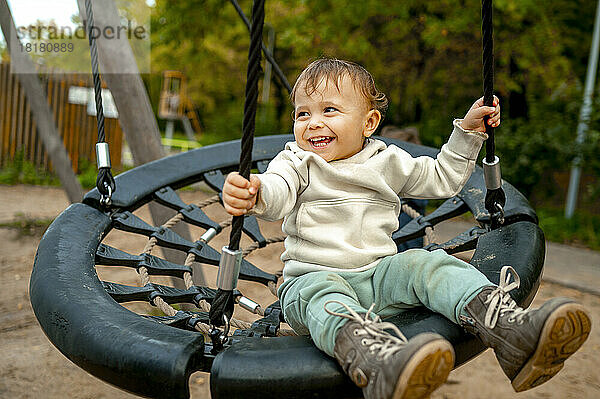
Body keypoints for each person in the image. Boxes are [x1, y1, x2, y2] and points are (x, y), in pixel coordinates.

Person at [222, 58, 591, 399]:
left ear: (368, 123)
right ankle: (378, 363)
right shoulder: (296, 161)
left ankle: (512, 333)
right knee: (323, 294)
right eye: (303, 113)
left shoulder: (387, 160)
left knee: (424, 263)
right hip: (312, 282)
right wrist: (254, 192)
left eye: (329, 110)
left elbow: (443, 178)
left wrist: (467, 134)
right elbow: (276, 193)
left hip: (378, 277)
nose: (313, 122)